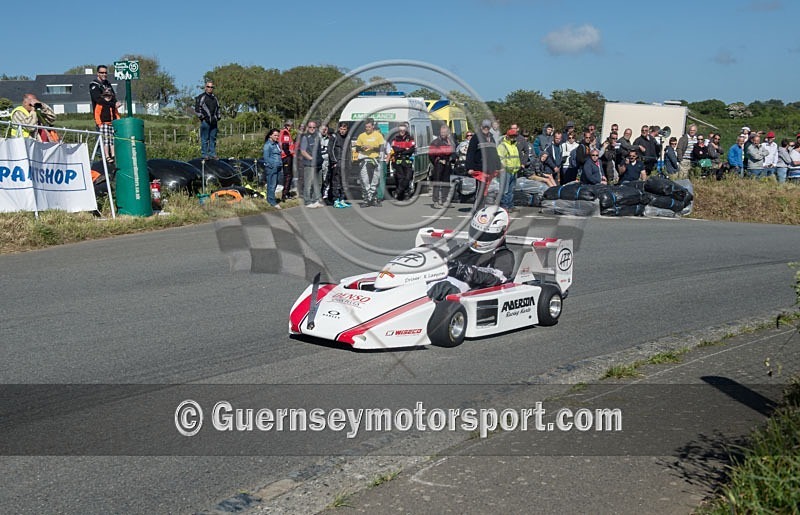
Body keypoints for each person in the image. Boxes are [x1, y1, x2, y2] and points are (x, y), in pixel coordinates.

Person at [426, 206, 515, 301]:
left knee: (442, 288)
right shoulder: (464, 247)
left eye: (484, 235)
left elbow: (499, 277)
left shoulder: (504, 255)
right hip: (438, 281)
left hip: (465, 294)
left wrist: (464, 270)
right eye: (476, 232)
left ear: (501, 233)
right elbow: (447, 259)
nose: (477, 238)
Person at [465, 119, 503, 210]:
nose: (486, 128)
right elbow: (470, 153)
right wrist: (469, 167)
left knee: (486, 190)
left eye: (487, 127)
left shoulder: (491, 138)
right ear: (481, 127)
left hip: (490, 169)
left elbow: (495, 153)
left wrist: (499, 166)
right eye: (484, 127)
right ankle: (477, 207)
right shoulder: (476, 137)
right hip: (479, 168)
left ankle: (482, 207)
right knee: (481, 189)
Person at [354, 118, 386, 206]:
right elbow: (357, 148)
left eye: (369, 127)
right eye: (366, 127)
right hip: (364, 159)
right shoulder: (361, 136)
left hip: (375, 160)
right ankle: (366, 199)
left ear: (373, 126)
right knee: (365, 181)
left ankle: (374, 199)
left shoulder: (378, 135)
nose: (367, 129)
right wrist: (362, 148)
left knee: (375, 180)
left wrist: (372, 148)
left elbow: (382, 148)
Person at [428, 124, 455, 208]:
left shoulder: (450, 141)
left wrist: (452, 158)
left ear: (447, 133)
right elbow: (431, 155)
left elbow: (454, 152)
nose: (443, 133)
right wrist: (437, 162)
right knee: (437, 182)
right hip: (439, 164)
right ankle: (436, 201)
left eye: (444, 132)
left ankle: (444, 201)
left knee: (446, 183)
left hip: (447, 163)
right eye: (441, 132)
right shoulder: (435, 142)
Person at [389, 123, 416, 201]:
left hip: (407, 160)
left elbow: (412, 149)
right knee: (400, 178)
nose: (402, 131)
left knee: (408, 177)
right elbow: (395, 149)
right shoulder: (395, 139)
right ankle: (402, 195)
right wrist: (405, 149)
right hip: (398, 161)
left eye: (403, 130)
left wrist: (402, 151)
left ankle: (398, 192)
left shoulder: (410, 138)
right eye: (400, 130)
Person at [299, 121, 323, 208]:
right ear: (307, 128)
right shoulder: (305, 137)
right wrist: (311, 159)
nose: (312, 129)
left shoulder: (317, 137)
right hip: (309, 164)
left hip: (318, 164)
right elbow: (303, 151)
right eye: (310, 127)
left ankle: (315, 200)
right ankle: (307, 201)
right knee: (308, 183)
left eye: (313, 127)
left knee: (318, 183)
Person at [327, 122, 352, 209]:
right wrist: (334, 162)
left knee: (344, 182)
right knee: (336, 182)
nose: (342, 131)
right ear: (339, 129)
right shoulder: (334, 137)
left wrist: (350, 162)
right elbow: (330, 150)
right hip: (337, 162)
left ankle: (342, 199)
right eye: (341, 129)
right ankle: (336, 200)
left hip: (346, 163)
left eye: (344, 129)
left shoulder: (348, 137)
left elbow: (349, 150)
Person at [194, 81, 221, 159]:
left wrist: (218, 117)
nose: (210, 88)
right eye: (208, 87)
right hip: (206, 121)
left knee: (213, 138)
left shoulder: (215, 98)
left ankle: (212, 153)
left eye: (211, 87)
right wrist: (202, 117)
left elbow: (218, 108)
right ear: (205, 87)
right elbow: (197, 109)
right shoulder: (201, 97)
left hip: (214, 121)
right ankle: (204, 154)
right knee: (205, 138)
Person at [93, 87, 120, 164]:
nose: (107, 97)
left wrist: (118, 121)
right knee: (106, 141)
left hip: (112, 124)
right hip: (104, 124)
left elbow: (116, 113)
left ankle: (113, 155)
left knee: (112, 140)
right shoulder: (100, 103)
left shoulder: (112, 105)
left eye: (109, 96)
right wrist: (99, 124)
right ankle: (107, 155)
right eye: (106, 96)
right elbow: (97, 114)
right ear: (103, 96)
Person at [496, 129, 521, 210]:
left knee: (511, 190)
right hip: (506, 171)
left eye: (515, 136)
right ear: (507, 136)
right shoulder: (503, 146)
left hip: (514, 171)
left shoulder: (514, 146)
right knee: (505, 190)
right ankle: (504, 206)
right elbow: (500, 158)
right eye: (511, 136)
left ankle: (510, 205)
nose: (513, 138)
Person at [262, 129, 283, 209]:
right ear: (270, 135)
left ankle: (270, 198)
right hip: (272, 168)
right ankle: (272, 201)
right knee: (272, 184)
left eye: (278, 135)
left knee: (274, 184)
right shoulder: (268, 145)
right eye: (275, 135)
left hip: (278, 167)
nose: (277, 137)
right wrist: (272, 166)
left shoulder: (276, 144)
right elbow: (266, 158)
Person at [279, 120, 295, 202]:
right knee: (288, 176)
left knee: (288, 175)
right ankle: (285, 194)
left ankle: (286, 193)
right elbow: (285, 145)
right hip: (286, 157)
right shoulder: (285, 132)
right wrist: (289, 154)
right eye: (291, 126)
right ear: (289, 125)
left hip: (285, 156)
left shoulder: (282, 132)